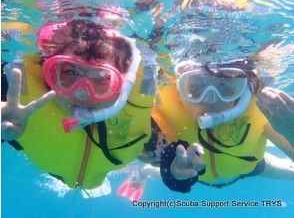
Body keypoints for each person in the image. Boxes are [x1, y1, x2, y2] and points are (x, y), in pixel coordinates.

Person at [1, 11, 156, 190]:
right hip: (54, 169)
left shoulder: (140, 97)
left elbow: (172, 153)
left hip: (106, 167)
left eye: (101, 78)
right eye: (70, 73)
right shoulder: (15, 96)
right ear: (49, 72)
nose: (82, 93)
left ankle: (139, 173)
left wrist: (174, 170)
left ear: (123, 85)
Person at [149, 56, 294, 193]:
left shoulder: (263, 107)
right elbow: (146, 151)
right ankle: (143, 173)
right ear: (179, 85)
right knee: (152, 169)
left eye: (225, 86)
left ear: (242, 86)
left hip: (252, 167)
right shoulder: (162, 102)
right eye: (197, 87)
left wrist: (291, 131)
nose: (211, 100)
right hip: (200, 177)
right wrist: (170, 171)